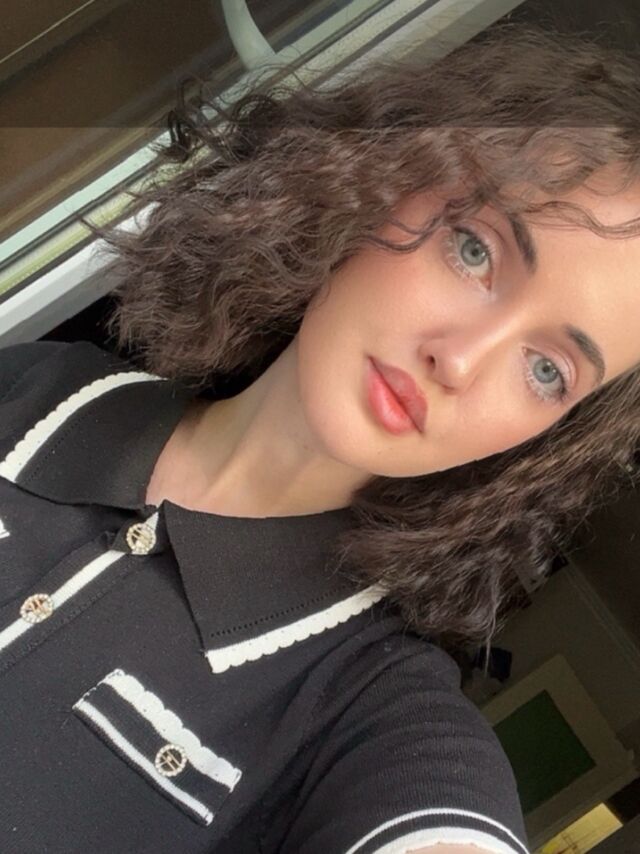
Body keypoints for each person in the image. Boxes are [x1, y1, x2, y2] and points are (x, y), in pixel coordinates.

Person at [2, 19, 640, 854]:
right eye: (474, 249)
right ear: (383, 180)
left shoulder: (369, 713)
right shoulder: (41, 386)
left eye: (548, 369)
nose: (459, 360)